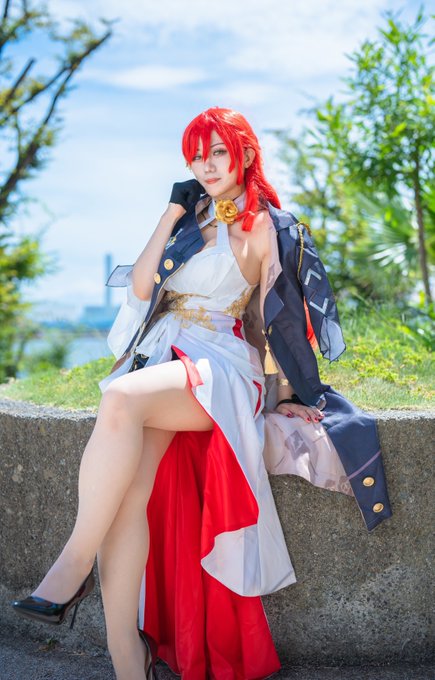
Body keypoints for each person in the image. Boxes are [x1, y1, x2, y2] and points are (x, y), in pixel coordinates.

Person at [12, 107, 392, 680]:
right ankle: (128, 658)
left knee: (119, 400)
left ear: (244, 154)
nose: (206, 166)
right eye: (196, 156)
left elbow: (277, 319)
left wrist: (287, 392)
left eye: (217, 152)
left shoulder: (269, 227)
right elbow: (143, 286)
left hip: (220, 363)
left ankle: (70, 568)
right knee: (127, 499)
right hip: (162, 355)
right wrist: (171, 210)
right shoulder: (189, 217)